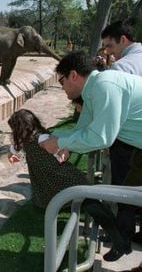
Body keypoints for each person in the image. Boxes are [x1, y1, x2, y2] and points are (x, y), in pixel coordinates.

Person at [40, 50, 142, 261]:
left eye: (62, 80)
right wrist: (56, 139)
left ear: (74, 75)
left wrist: (59, 142)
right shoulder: (93, 90)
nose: (62, 87)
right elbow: (83, 130)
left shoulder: (105, 86)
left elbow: (101, 137)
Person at [7, 109, 131, 261]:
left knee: (94, 207)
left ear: (22, 128)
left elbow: (61, 147)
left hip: (66, 179)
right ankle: (118, 239)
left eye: (15, 129)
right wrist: (13, 155)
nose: (14, 132)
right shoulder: (24, 141)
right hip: (55, 181)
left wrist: (62, 152)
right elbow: (12, 151)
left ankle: (120, 242)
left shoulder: (42, 138)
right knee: (92, 206)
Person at [102, 18, 142, 245]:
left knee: (124, 186)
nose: (108, 51)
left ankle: (122, 234)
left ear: (123, 40)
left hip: (128, 138)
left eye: (110, 45)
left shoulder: (122, 67)